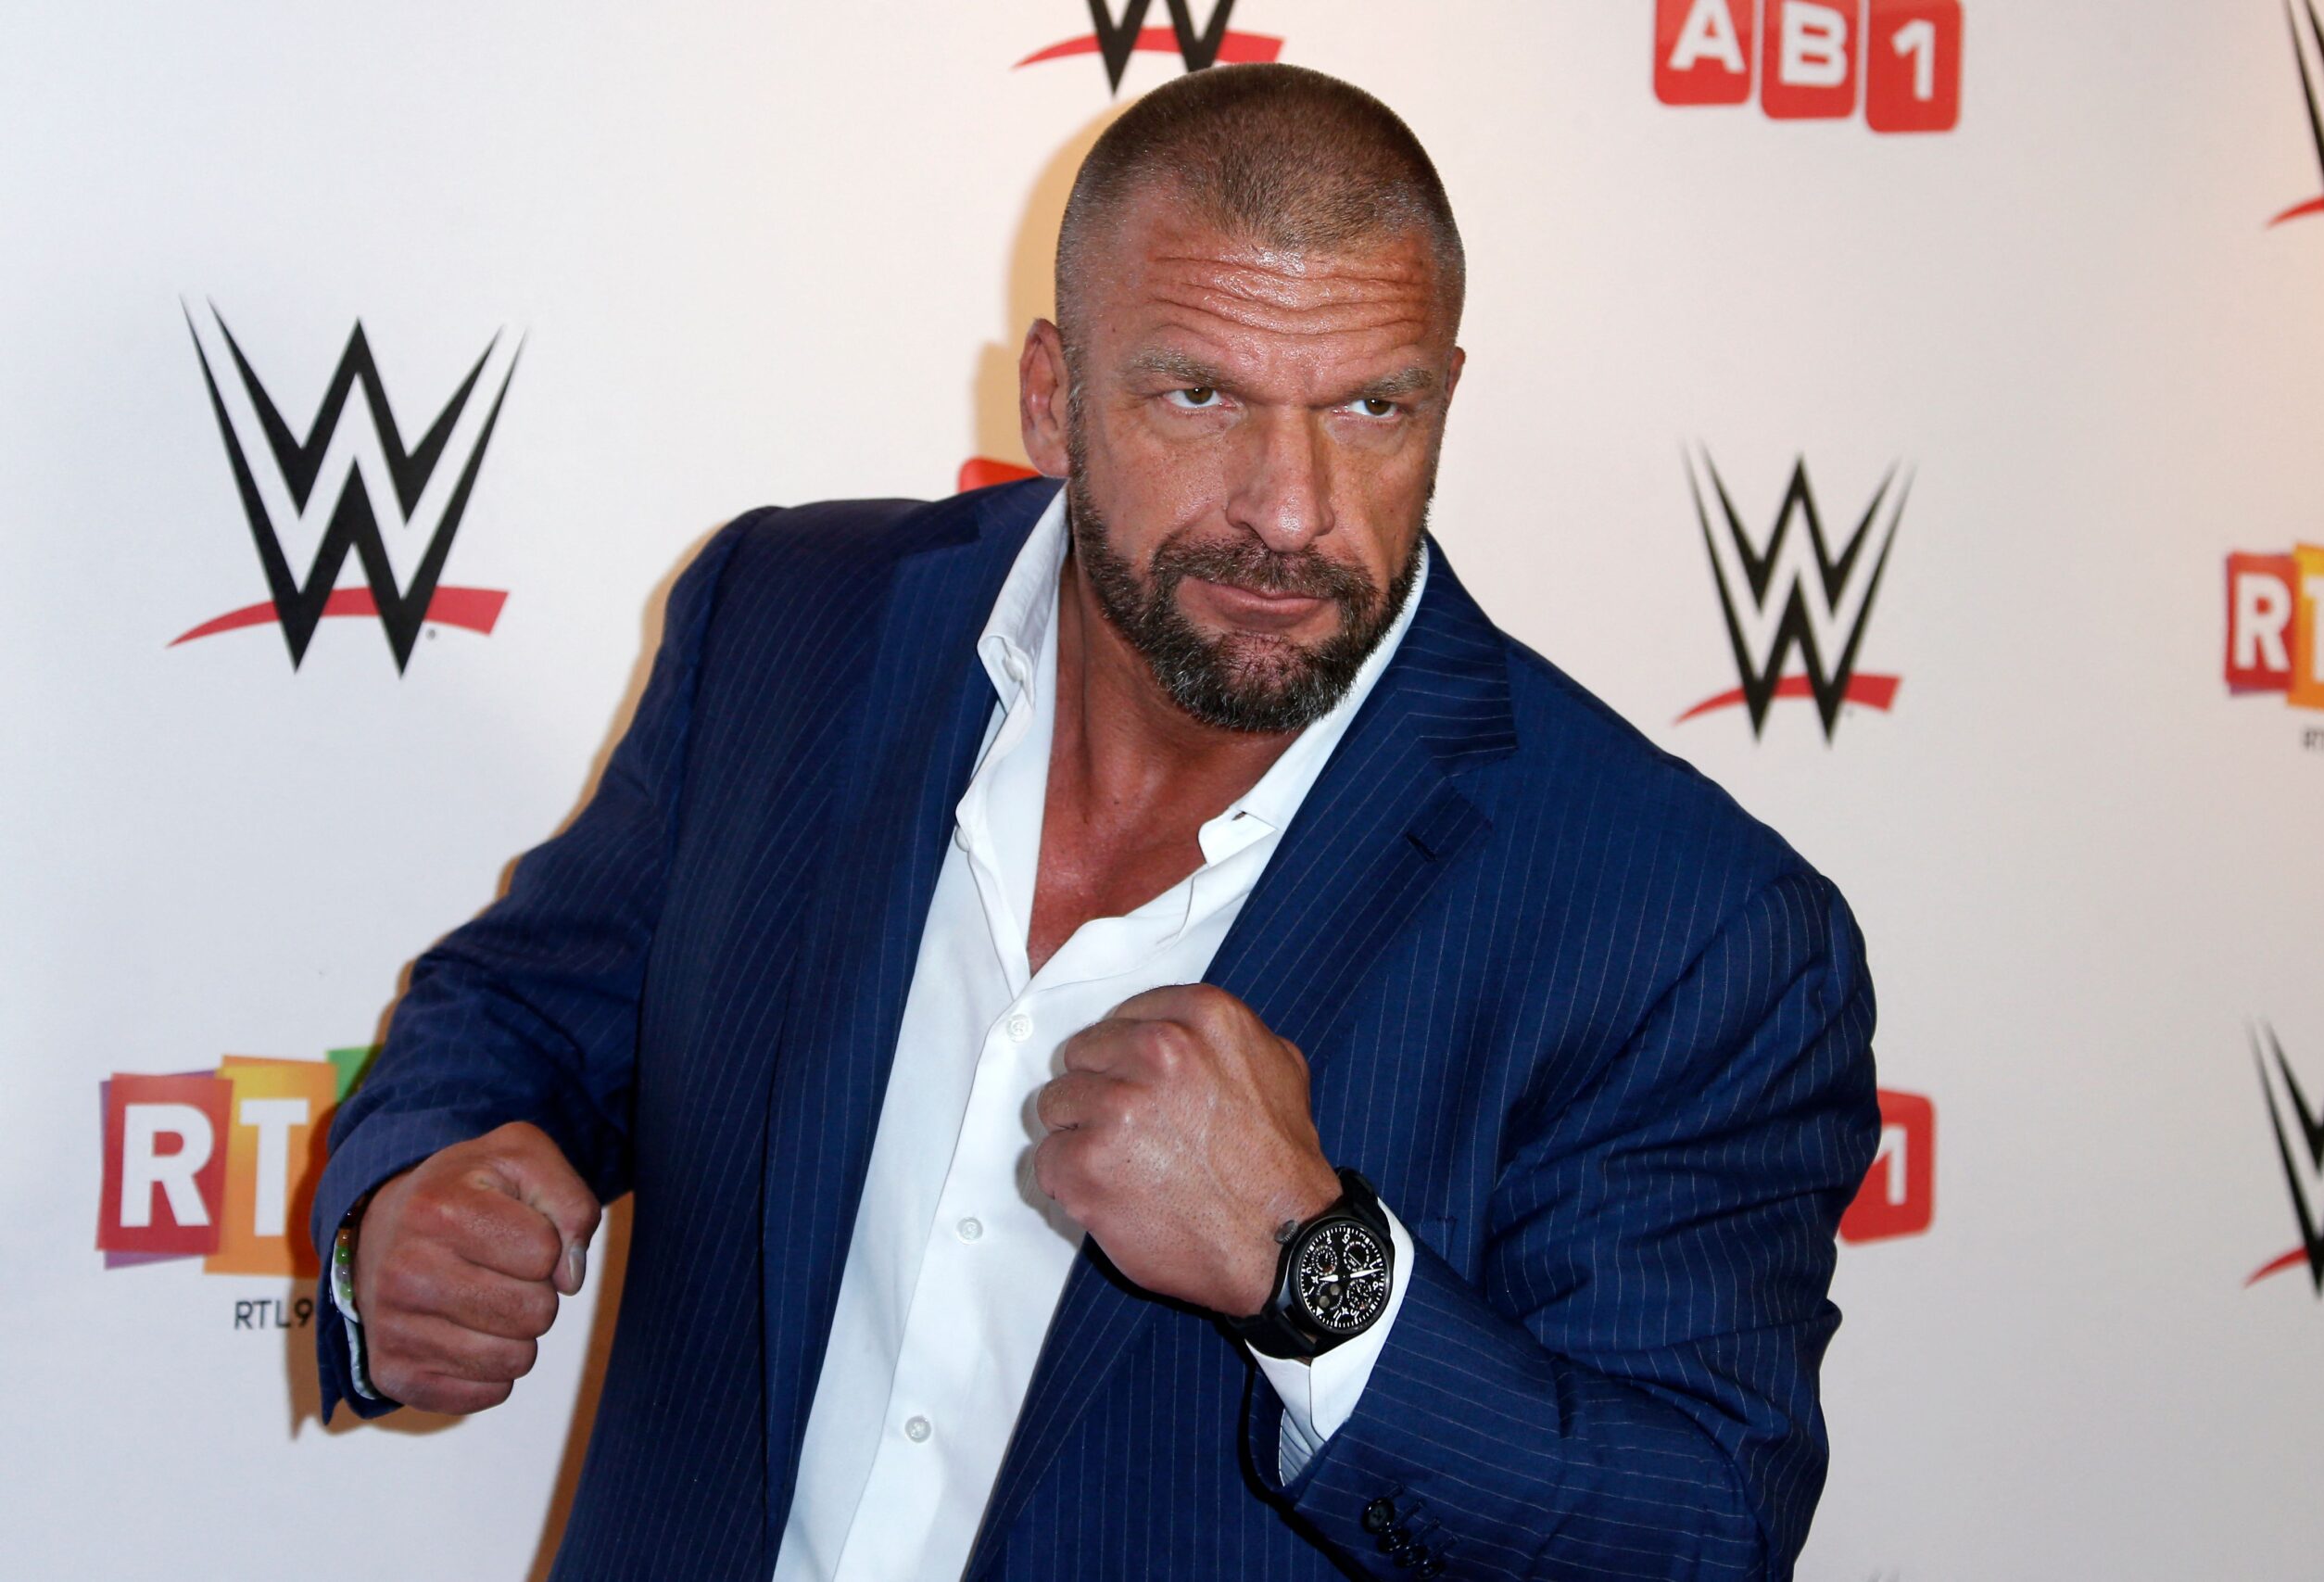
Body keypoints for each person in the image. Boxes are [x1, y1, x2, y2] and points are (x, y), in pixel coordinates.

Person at [313, 63, 1877, 1582]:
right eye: (1202, 394)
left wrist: (1313, 1271)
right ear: (1054, 399)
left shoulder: (1686, 926)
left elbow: (1697, 1535)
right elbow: (528, 1012)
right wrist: (410, 1203)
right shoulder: (790, 624)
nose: (1290, 506)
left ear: (1445, 398)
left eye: (1371, 406)